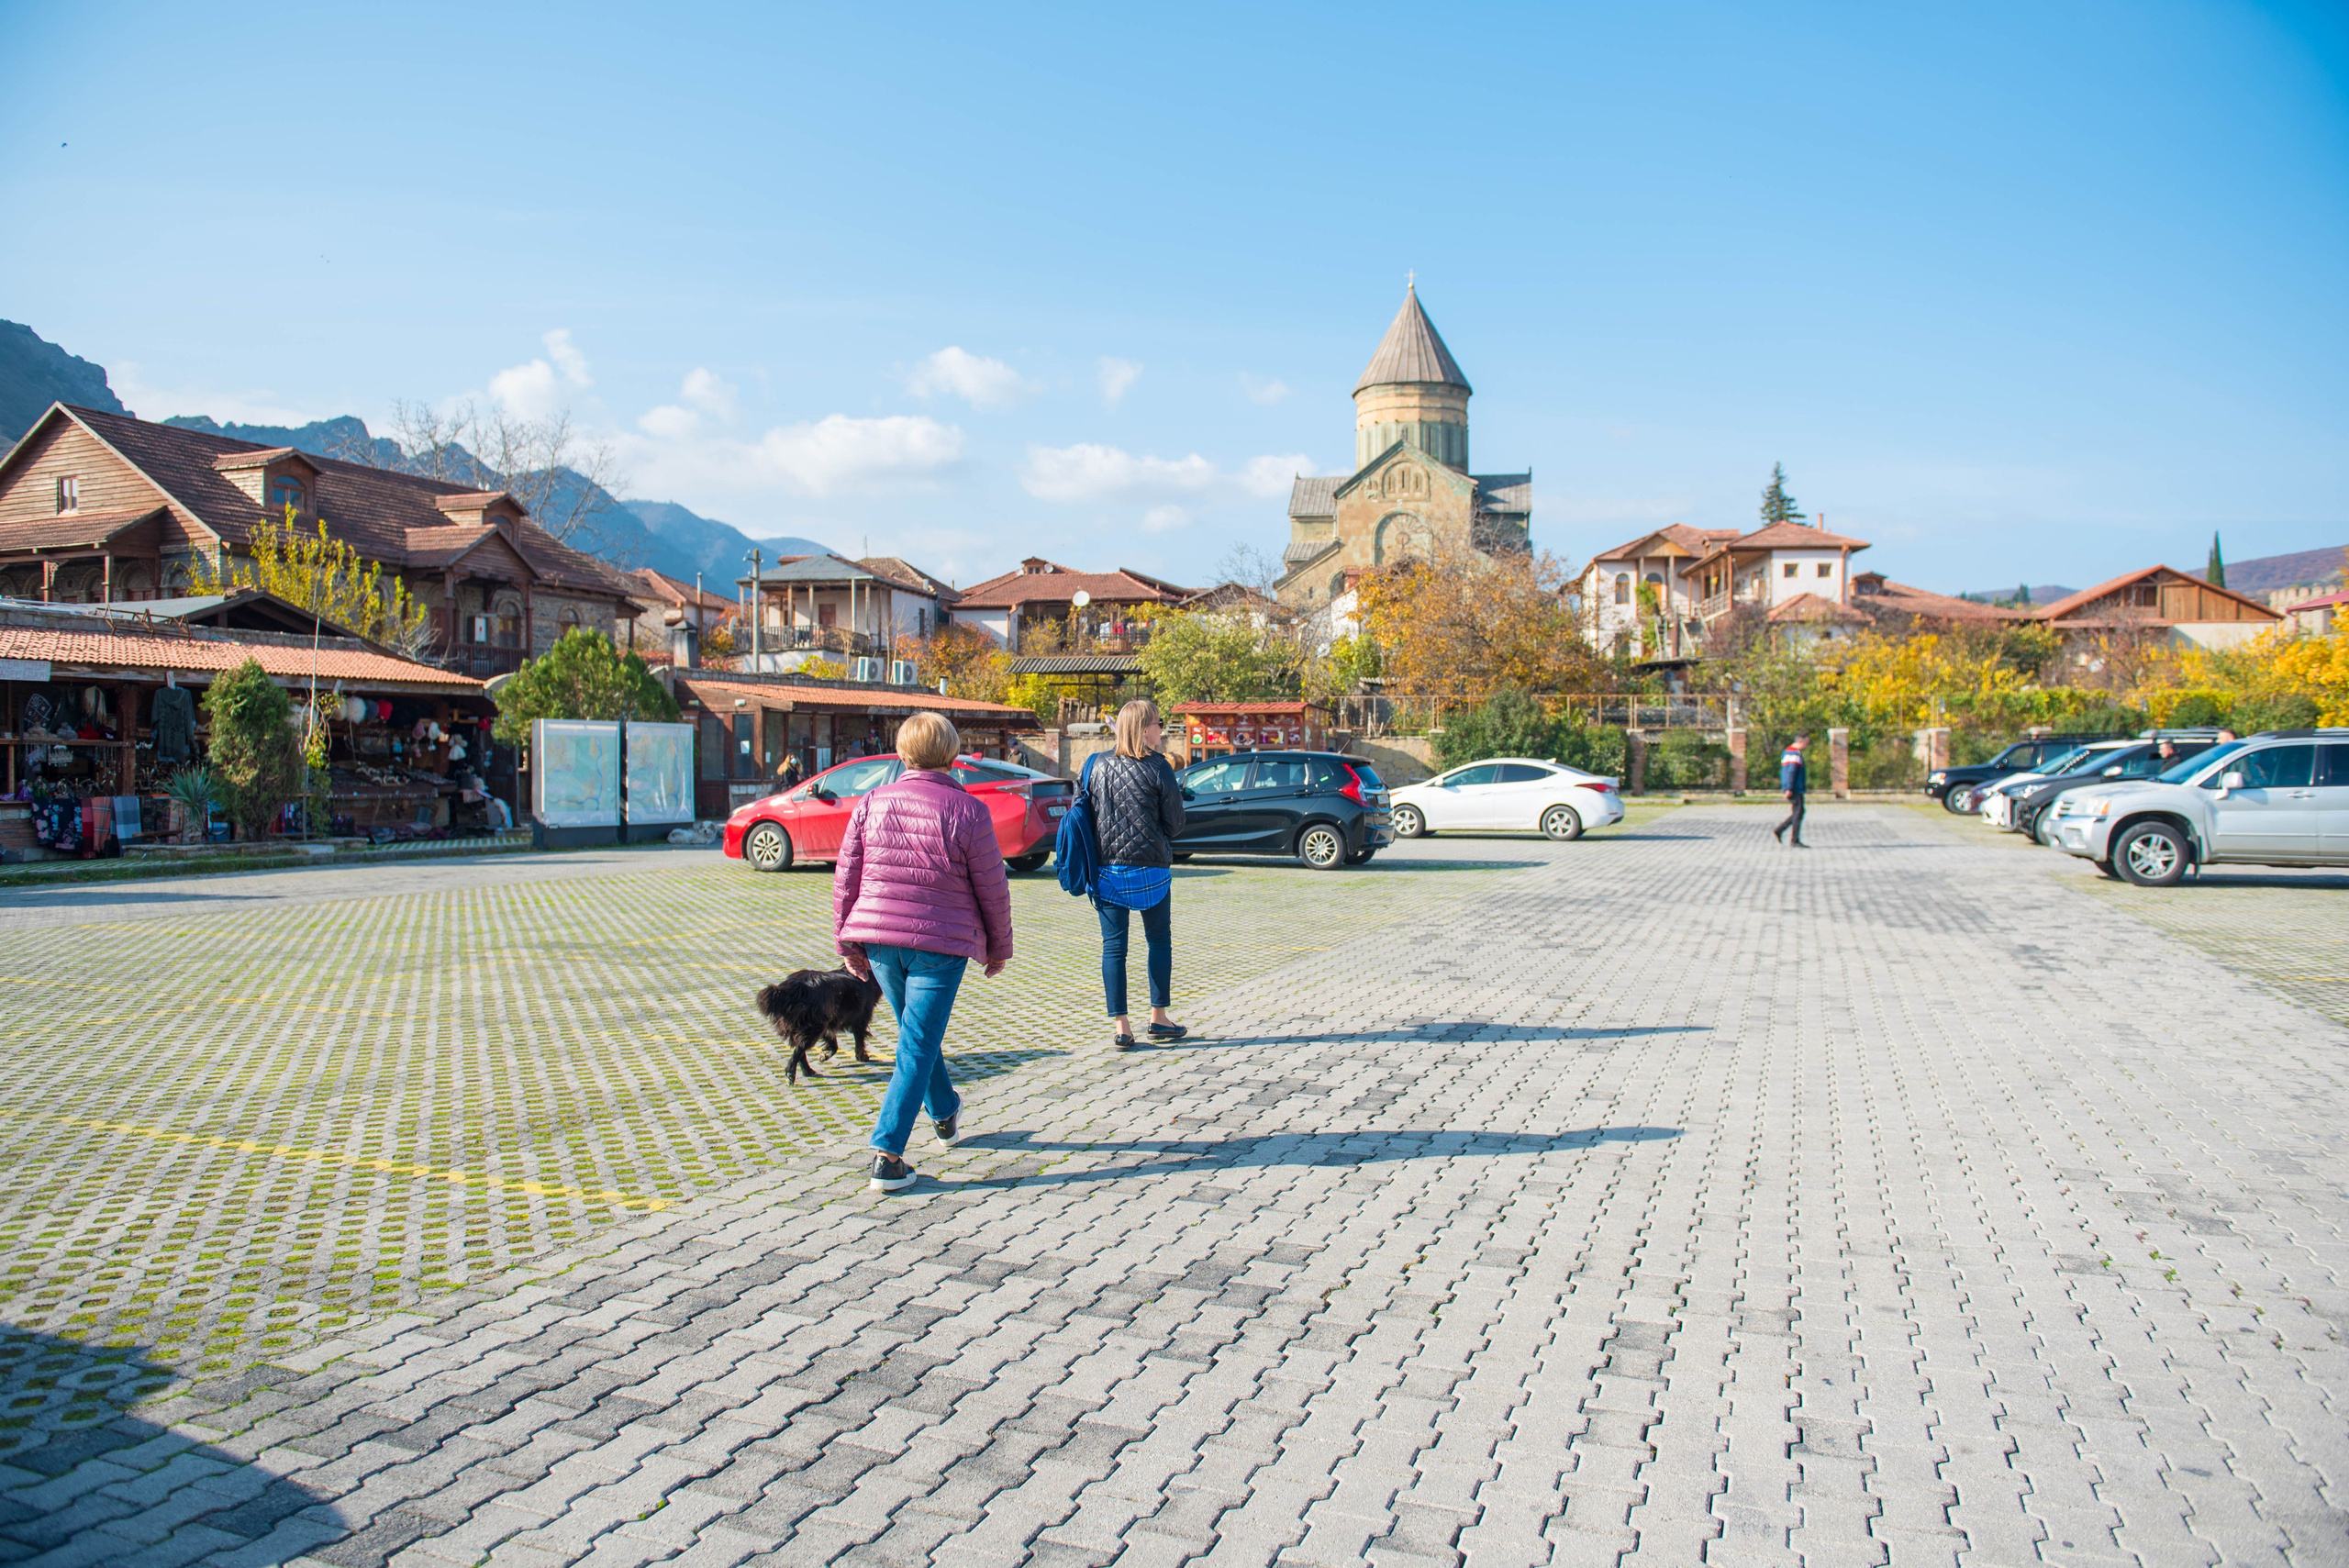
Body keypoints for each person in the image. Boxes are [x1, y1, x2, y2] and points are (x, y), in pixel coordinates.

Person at [833, 711, 1014, 1191]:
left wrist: (848, 941)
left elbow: (846, 877)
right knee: (916, 1042)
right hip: (940, 943)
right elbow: (992, 886)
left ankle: (945, 1111)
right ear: (952, 755)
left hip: (880, 941)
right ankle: (887, 1154)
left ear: (902, 753)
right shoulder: (969, 810)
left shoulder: (871, 802)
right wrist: (998, 947)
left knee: (916, 1036)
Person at [1089, 699, 1186, 1050]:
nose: (1162, 728)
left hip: (1108, 871)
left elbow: (1085, 815)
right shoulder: (1159, 767)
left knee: (1114, 948)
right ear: (1145, 729)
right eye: (1159, 723)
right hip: (1151, 869)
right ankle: (1158, 1018)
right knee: (1158, 941)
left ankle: (1122, 1027)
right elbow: (1175, 825)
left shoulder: (1096, 765)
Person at [1774, 734, 1809, 848]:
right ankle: (1794, 840)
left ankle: (1780, 830)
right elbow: (1791, 772)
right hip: (1795, 788)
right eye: (1806, 743)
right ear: (1800, 742)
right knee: (1798, 812)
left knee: (1799, 812)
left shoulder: (1787, 752)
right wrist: (1789, 788)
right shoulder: (1794, 754)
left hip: (1793, 787)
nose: (1807, 746)